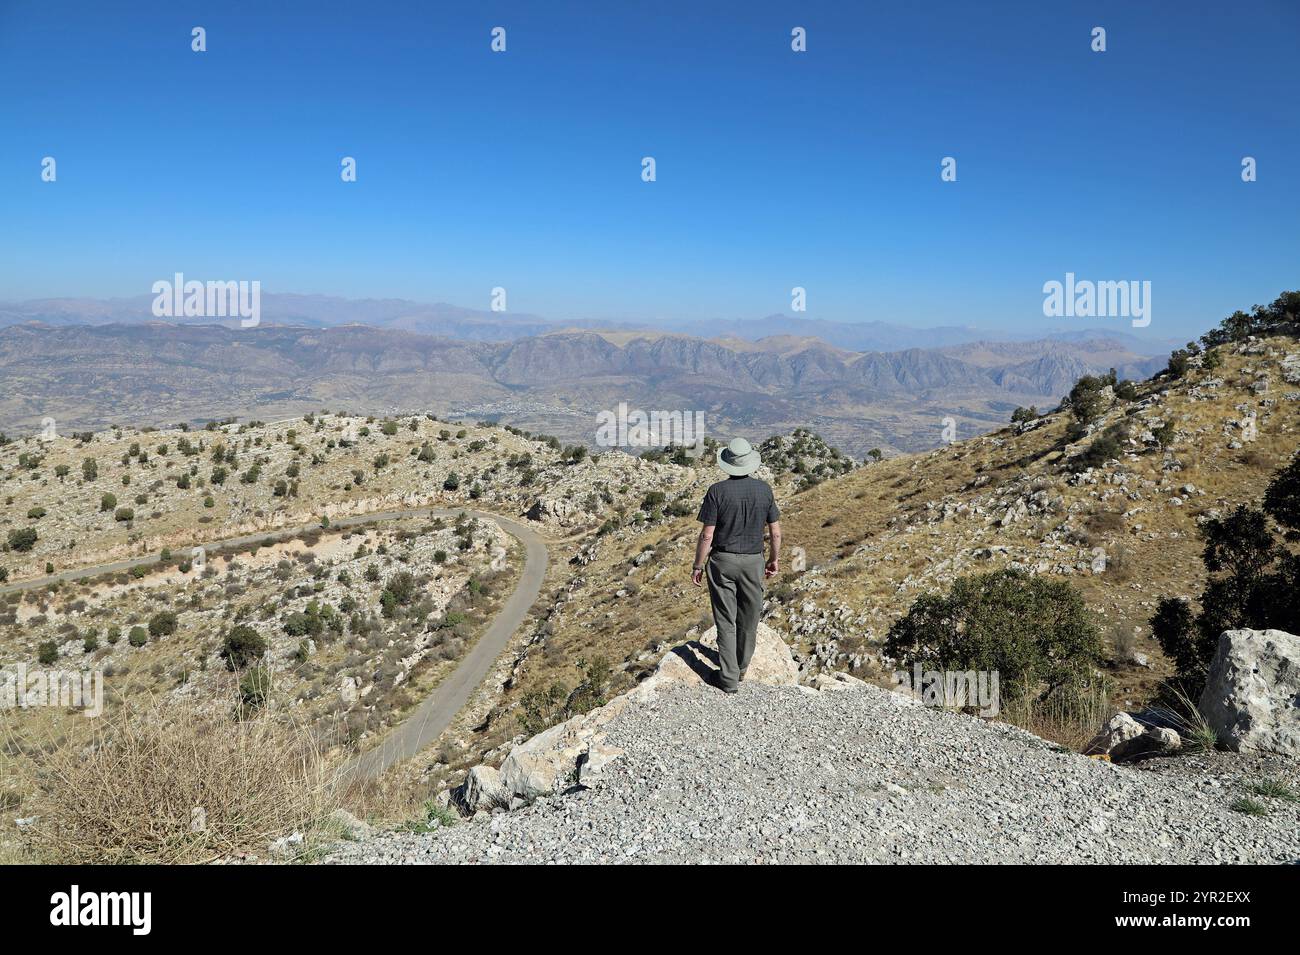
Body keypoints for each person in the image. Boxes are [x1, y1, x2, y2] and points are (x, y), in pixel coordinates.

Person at [691, 437, 781, 693]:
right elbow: (775, 533)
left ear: (727, 464)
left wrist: (698, 565)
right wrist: (774, 560)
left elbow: (707, 535)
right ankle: (741, 668)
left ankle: (728, 678)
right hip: (754, 561)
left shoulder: (716, 491)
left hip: (722, 562)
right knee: (749, 618)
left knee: (725, 619)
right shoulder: (764, 491)